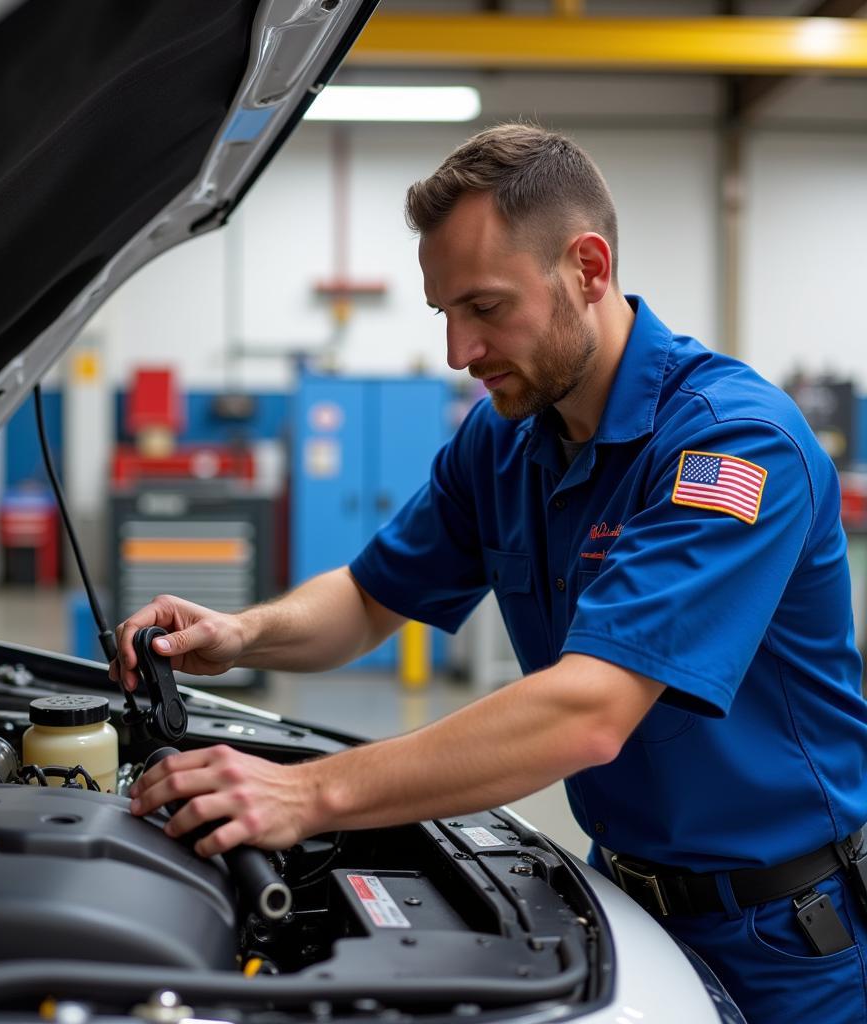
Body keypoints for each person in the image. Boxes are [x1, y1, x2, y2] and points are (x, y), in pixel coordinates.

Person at [113, 123, 867, 1023]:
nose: (457, 352)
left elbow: (588, 712)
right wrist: (243, 634)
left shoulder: (729, 445)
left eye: (485, 307)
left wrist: (307, 793)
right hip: (619, 899)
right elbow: (365, 598)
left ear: (587, 268)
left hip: (787, 940)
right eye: (444, 314)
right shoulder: (504, 437)